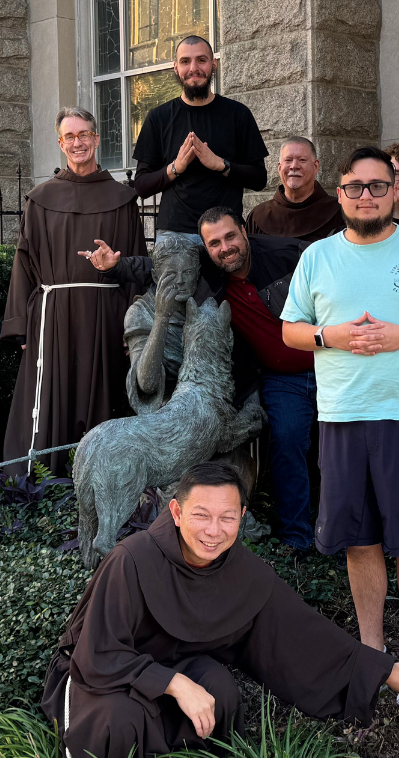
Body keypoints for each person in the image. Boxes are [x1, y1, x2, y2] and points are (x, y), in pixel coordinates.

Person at [42, 461, 399, 758]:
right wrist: (175, 684)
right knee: (116, 722)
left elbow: (300, 635)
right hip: (106, 673)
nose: (214, 530)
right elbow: (97, 654)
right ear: (176, 513)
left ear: (242, 518)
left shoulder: (244, 571)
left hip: (173, 665)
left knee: (221, 693)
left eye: (227, 518)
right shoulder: (132, 559)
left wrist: (382, 671)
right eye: (201, 515)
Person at [279, 146, 399, 693]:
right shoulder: (317, 256)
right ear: (339, 193)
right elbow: (290, 329)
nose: (366, 196)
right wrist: (332, 336)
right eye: (354, 187)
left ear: (396, 191)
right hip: (342, 415)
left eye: (377, 186)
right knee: (359, 539)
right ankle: (371, 650)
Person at [86, 207, 316, 551]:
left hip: (214, 415)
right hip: (168, 425)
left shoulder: (209, 298)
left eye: (187, 272)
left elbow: (237, 365)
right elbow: (146, 385)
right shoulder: (143, 311)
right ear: (157, 274)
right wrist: (161, 318)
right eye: (170, 273)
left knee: (239, 464)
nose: (179, 281)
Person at [1, 106, 146, 476]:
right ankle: (42, 484)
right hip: (53, 317)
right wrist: (21, 326)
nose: (78, 142)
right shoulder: (41, 199)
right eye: (70, 136)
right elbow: (24, 262)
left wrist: (134, 328)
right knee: (50, 398)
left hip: (106, 316)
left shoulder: (123, 199)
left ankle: (101, 480)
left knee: (103, 398)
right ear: (60, 143)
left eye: (84, 135)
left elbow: (136, 263)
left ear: (97, 139)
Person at [132, 35, 268, 237]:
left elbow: (259, 179)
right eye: (185, 61)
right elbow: (141, 186)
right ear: (176, 68)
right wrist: (175, 167)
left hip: (226, 232)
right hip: (175, 232)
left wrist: (221, 165)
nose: (193, 68)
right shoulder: (158, 118)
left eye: (201, 60)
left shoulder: (238, 114)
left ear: (214, 65)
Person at [245, 136, 344, 242]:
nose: (294, 166)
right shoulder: (259, 216)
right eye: (288, 160)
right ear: (279, 168)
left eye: (302, 160)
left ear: (315, 166)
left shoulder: (339, 212)